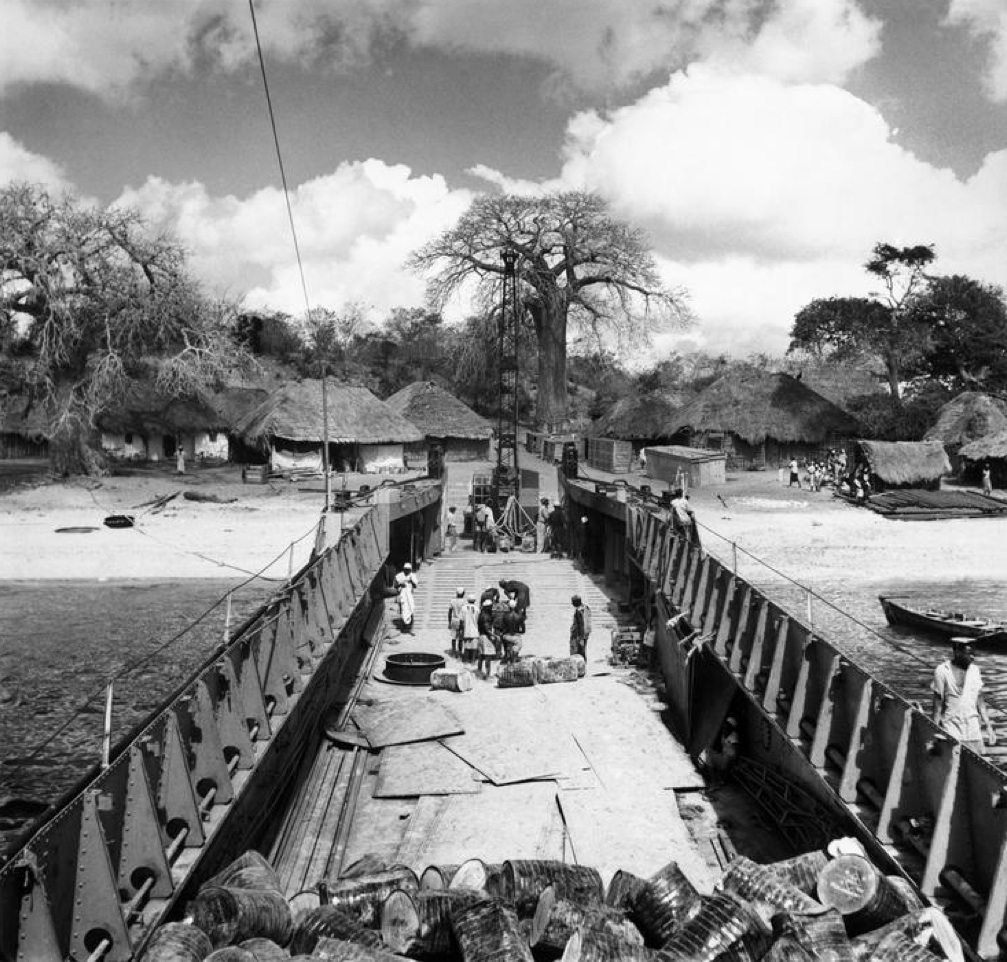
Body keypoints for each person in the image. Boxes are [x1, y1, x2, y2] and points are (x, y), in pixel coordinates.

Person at [932, 638, 996, 754]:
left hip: (973, 730)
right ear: (957, 652)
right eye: (969, 654)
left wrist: (989, 726)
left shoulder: (975, 671)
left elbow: (980, 702)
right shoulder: (942, 671)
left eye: (974, 654)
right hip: (951, 730)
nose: (973, 657)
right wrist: (935, 734)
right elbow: (937, 706)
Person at [476, 597, 497, 673]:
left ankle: (479, 671)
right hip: (486, 637)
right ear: (488, 607)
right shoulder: (485, 616)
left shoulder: (482, 614)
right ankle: (487, 674)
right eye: (491, 606)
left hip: (481, 636)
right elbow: (487, 629)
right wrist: (495, 636)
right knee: (488, 657)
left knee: (481, 656)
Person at [569, 594, 591, 659]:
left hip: (578, 635)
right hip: (586, 634)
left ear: (576, 603)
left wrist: (580, 638)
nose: (572, 603)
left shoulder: (578, 611)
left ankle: (579, 667)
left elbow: (581, 624)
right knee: (583, 651)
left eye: (573, 602)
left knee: (576, 653)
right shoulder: (586, 607)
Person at [460, 593, 480, 663]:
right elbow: (478, 620)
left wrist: (461, 630)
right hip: (475, 630)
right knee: (474, 648)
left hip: (466, 630)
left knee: (466, 647)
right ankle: (473, 661)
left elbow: (461, 621)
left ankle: (466, 660)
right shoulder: (477, 608)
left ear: (468, 600)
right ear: (474, 600)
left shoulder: (463, 608)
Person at [448, 587, 466, 655]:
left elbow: (449, 612)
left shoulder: (452, 601)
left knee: (453, 637)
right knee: (460, 638)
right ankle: (460, 651)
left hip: (454, 620)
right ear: (463, 593)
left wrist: (449, 622)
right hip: (461, 620)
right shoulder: (464, 602)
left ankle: (453, 651)